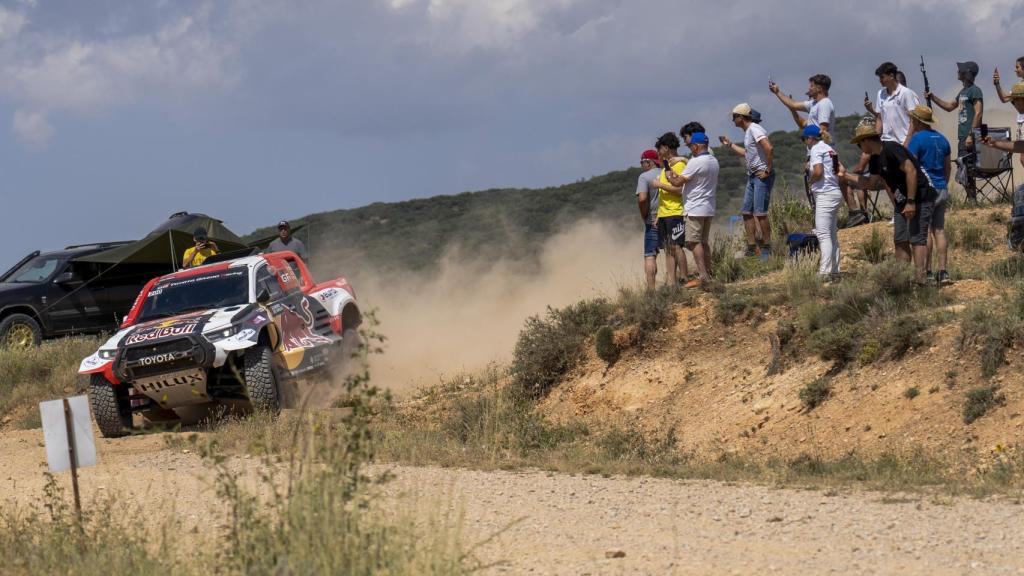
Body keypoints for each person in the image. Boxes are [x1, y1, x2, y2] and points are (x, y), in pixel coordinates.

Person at [840, 124, 937, 282]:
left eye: (859, 144)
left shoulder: (891, 148)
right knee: (900, 240)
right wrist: (845, 176)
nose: (860, 148)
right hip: (901, 202)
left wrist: (911, 202)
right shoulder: (875, 159)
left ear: (867, 140)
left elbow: (911, 171)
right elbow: (870, 183)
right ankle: (902, 279)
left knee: (917, 239)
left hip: (920, 197)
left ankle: (922, 280)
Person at [771, 74, 867, 226]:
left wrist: (811, 156)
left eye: (811, 85)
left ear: (819, 88)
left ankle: (843, 215)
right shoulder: (814, 104)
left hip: (823, 151)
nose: (808, 88)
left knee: (831, 182)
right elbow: (794, 105)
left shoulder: (824, 104)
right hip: (826, 151)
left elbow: (823, 129)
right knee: (840, 179)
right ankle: (854, 211)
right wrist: (777, 92)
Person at [719, 103, 774, 259]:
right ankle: (752, 246)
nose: (732, 120)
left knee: (760, 213)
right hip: (753, 176)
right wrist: (730, 145)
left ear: (741, 117)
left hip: (760, 176)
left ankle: (767, 247)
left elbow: (769, 148)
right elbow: (746, 153)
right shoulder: (749, 131)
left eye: (734, 117)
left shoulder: (755, 129)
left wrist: (767, 170)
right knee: (746, 212)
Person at [665, 132, 718, 288]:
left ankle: (703, 276)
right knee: (703, 242)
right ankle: (708, 273)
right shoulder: (714, 161)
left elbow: (677, 183)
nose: (690, 149)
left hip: (695, 208)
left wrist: (669, 175)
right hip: (708, 207)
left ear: (696, 146)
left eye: (690, 146)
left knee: (694, 242)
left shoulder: (695, 162)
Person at [907, 106, 952, 285]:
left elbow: (910, 166)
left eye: (912, 120)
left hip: (926, 191)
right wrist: (944, 183)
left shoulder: (917, 139)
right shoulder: (943, 139)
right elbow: (948, 166)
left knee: (924, 230)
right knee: (939, 230)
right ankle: (944, 271)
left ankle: (928, 271)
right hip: (941, 187)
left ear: (918, 121)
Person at [925, 61, 983, 201]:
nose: (958, 72)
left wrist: (971, 134)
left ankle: (972, 200)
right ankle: (972, 199)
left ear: (967, 73)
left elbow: (978, 113)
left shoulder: (975, 90)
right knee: (964, 169)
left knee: (966, 168)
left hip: (969, 137)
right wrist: (933, 97)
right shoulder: (963, 91)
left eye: (961, 70)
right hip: (962, 137)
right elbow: (950, 106)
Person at [802, 125, 843, 280]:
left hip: (825, 194)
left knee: (823, 234)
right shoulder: (830, 149)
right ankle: (835, 270)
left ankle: (825, 272)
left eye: (804, 139)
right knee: (832, 234)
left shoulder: (816, 149)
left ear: (811, 138)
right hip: (835, 192)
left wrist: (811, 183)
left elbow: (818, 171)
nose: (805, 142)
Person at [650, 132, 689, 286]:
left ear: (666, 148)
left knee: (676, 247)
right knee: (668, 248)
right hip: (665, 213)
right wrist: (659, 214)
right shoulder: (666, 167)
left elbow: (680, 190)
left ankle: (685, 278)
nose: (658, 153)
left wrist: (660, 185)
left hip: (676, 212)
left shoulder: (680, 165)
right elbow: (663, 194)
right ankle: (672, 282)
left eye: (659, 149)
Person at [635, 149, 663, 289]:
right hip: (669, 215)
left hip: (652, 218)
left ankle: (651, 290)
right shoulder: (666, 173)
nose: (641, 165)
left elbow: (642, 199)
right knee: (672, 250)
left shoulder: (644, 177)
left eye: (642, 162)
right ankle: (675, 282)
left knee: (650, 255)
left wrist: (643, 215)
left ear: (649, 162)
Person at [875, 62, 920, 147]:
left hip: (902, 142)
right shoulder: (880, 93)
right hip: (886, 142)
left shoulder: (906, 93)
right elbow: (879, 118)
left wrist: (907, 142)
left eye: (882, 77)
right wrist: (876, 141)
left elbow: (914, 120)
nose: (880, 80)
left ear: (891, 76)